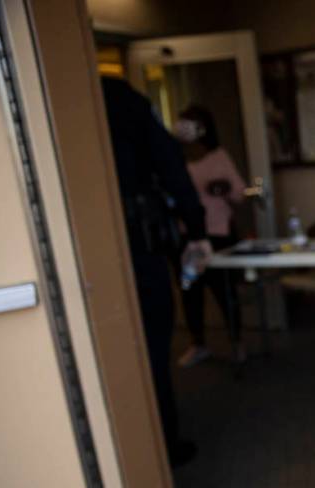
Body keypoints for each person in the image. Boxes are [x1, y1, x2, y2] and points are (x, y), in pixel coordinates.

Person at [100, 77, 209, 466]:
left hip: (89, 259)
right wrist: (196, 231)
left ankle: (124, 453)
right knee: (152, 353)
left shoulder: (51, 97)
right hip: (139, 250)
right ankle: (163, 443)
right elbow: (170, 166)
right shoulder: (122, 100)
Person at [172, 105, 247, 366]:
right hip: (188, 235)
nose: (183, 129)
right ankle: (198, 343)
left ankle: (237, 342)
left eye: (190, 124)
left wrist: (224, 188)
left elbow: (241, 193)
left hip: (217, 234)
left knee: (224, 291)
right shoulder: (174, 158)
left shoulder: (219, 157)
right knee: (190, 291)